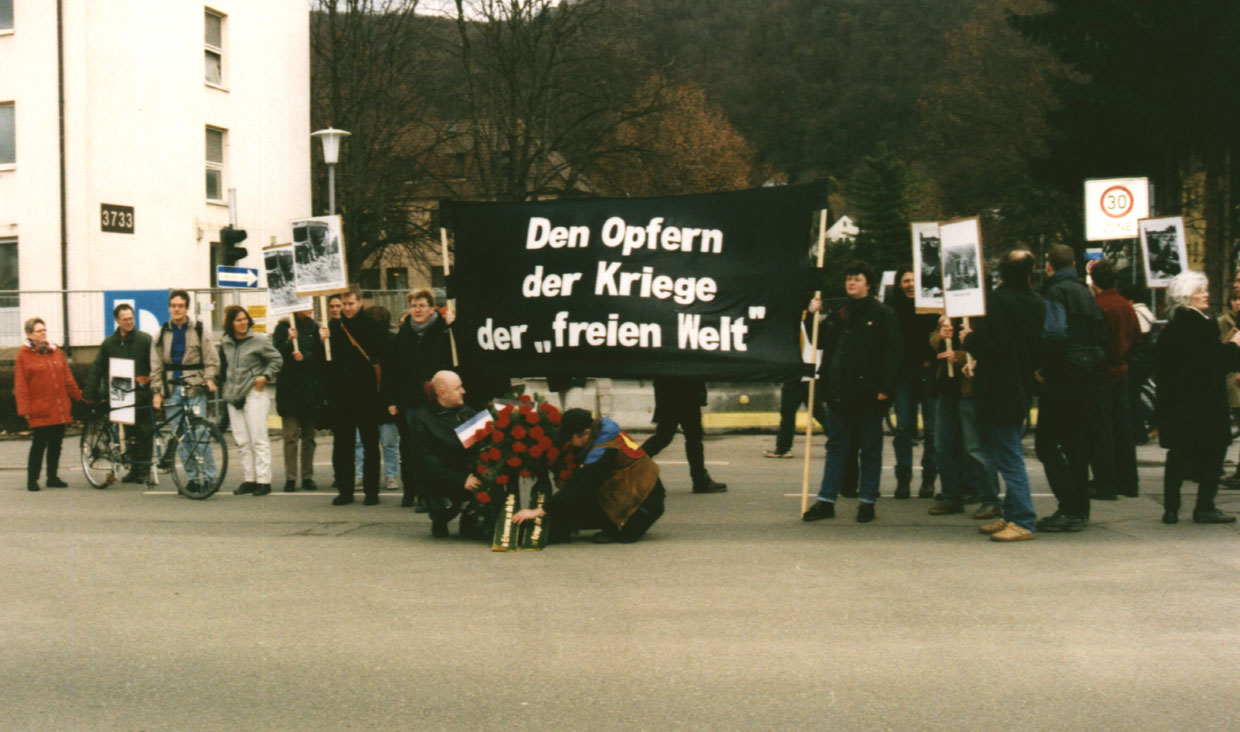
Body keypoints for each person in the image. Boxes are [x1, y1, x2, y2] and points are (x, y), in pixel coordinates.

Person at [803, 260, 901, 524]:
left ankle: (867, 502)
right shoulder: (841, 313)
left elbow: (893, 354)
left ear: (868, 284)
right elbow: (818, 340)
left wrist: (885, 389)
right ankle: (826, 501)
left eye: (857, 279)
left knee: (869, 449)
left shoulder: (882, 313)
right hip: (839, 392)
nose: (851, 283)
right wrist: (812, 315)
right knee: (836, 448)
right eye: (848, 278)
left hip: (869, 394)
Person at [963, 250, 1045, 542]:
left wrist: (968, 339)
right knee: (1006, 452)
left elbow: (994, 344)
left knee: (1008, 456)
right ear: (1029, 272)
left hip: (999, 387)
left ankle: (1023, 519)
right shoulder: (1036, 301)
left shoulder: (998, 301)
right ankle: (1011, 514)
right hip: (1020, 384)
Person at [1154, 272, 1240, 524]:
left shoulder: (1172, 327)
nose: (1206, 295)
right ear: (1186, 297)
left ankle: (1171, 508)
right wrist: (1234, 345)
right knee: (1213, 452)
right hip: (1205, 402)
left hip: (1177, 402)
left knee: (1178, 454)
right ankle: (1205, 506)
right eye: (1200, 291)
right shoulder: (1202, 325)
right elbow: (1216, 362)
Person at [1033, 245, 1107, 533]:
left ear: (1049, 266)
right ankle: (1080, 509)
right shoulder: (1085, 292)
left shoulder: (1055, 292)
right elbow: (1100, 334)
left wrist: (1042, 367)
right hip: (1084, 375)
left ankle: (1069, 507)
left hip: (1060, 376)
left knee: (1047, 444)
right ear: (1075, 263)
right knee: (1076, 445)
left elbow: (1053, 335)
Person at [512, 408, 666, 544]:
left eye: (571, 439)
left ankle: (620, 528)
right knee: (568, 510)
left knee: (577, 516)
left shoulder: (604, 450)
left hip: (644, 507)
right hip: (637, 492)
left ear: (586, 433)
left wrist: (538, 511)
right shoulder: (604, 432)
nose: (569, 444)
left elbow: (579, 486)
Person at [385, 288, 456, 509]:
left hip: (435, 400)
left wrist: (452, 325)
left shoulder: (443, 332)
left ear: (432, 308)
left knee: (435, 448)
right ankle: (412, 490)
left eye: (421, 305)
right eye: (414, 306)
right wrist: (392, 399)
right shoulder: (403, 335)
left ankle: (433, 492)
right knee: (410, 447)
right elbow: (392, 370)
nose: (417, 310)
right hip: (409, 401)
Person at [319, 289, 388, 506]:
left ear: (359, 303)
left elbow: (384, 358)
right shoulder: (333, 328)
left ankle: (371, 491)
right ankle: (345, 490)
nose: (346, 308)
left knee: (369, 444)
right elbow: (324, 364)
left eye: (350, 304)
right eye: (343, 305)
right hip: (342, 396)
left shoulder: (373, 326)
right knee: (343, 446)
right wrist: (322, 342)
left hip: (367, 394)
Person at [927, 316, 1001, 518]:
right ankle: (951, 496)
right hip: (947, 390)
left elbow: (986, 349)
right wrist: (941, 335)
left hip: (969, 391)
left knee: (976, 447)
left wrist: (958, 355)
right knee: (943, 446)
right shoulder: (948, 312)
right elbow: (934, 342)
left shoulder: (980, 314)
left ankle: (990, 499)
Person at [150, 289, 220, 494]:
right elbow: (155, 365)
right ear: (169, 307)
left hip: (194, 387)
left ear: (187, 308)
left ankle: (209, 477)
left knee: (199, 433)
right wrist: (157, 391)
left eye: (180, 305)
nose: (177, 309)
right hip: (172, 388)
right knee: (180, 436)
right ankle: (192, 478)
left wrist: (210, 378)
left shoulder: (198, 329)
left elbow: (210, 358)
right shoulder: (162, 333)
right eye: (173, 306)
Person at [407, 370, 484, 537]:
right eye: (458, 388)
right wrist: (460, 480)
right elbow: (427, 462)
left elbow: (484, 444)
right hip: (440, 479)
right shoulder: (422, 420)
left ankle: (472, 518)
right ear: (441, 393)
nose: (464, 391)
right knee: (445, 508)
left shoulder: (467, 412)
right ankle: (439, 516)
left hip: (468, 472)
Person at [887, 266, 941, 498]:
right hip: (903, 375)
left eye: (913, 281)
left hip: (928, 373)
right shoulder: (892, 309)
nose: (910, 285)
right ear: (899, 284)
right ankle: (903, 478)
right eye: (905, 281)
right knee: (903, 429)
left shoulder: (931, 307)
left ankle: (929, 479)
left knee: (932, 430)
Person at [85, 303, 153, 483]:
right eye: (125, 319)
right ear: (117, 320)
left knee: (145, 432)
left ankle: (144, 468)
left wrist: (150, 381)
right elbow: (97, 368)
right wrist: (90, 393)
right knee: (130, 434)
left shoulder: (145, 340)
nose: (129, 322)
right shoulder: (109, 343)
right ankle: (133, 468)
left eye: (131, 318)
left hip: (141, 394)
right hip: (121, 395)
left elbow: (155, 365)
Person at [1089, 259, 1140, 500]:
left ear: (1094, 281)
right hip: (1122, 371)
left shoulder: (1098, 306)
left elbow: (1095, 341)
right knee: (1123, 426)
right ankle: (1128, 481)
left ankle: (1106, 482)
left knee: (1102, 428)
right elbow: (1137, 340)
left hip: (1102, 373)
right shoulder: (1126, 306)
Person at [220, 305, 282, 496]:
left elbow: (277, 360)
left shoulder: (259, 340)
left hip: (254, 393)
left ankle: (264, 480)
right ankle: (250, 478)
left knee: (258, 438)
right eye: (238, 320)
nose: (243, 322)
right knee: (242, 441)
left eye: (244, 318)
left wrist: (265, 376)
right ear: (231, 323)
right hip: (233, 396)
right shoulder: (226, 342)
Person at [15, 317, 82, 491]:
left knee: (56, 444)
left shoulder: (55, 351)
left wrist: (80, 397)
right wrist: (24, 409)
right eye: (39, 331)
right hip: (39, 409)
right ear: (29, 334)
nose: (43, 333)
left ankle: (52, 477)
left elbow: (68, 378)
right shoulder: (23, 355)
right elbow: (20, 385)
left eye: (44, 330)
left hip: (58, 407)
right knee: (39, 444)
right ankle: (32, 479)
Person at [640, 378, 727, 493]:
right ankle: (700, 480)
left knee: (664, 437)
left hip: (671, 392)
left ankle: (631, 464)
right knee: (692, 437)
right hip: (685, 392)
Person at [765, 305, 828, 459]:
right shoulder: (800, 321)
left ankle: (783, 448)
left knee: (795, 412)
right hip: (803, 372)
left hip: (802, 372)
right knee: (802, 412)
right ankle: (783, 447)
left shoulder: (801, 322)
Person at [272, 309, 324, 492]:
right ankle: (291, 477)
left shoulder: (316, 328)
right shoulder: (283, 327)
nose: (309, 307)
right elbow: (275, 355)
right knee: (290, 436)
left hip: (310, 390)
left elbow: (322, 358)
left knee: (309, 437)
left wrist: (308, 355)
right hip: (290, 390)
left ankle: (307, 476)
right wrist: (288, 343)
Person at [355, 305, 400, 492]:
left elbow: (395, 374)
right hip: (371, 398)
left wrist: (393, 400)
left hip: (383, 397)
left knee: (384, 441)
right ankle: (368, 475)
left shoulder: (391, 343)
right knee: (376, 442)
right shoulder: (360, 341)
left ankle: (386, 475)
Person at [1218, 290, 1240, 488]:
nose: (1238, 303)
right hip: (1231, 379)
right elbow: (1223, 349)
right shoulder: (1223, 322)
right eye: (1235, 298)